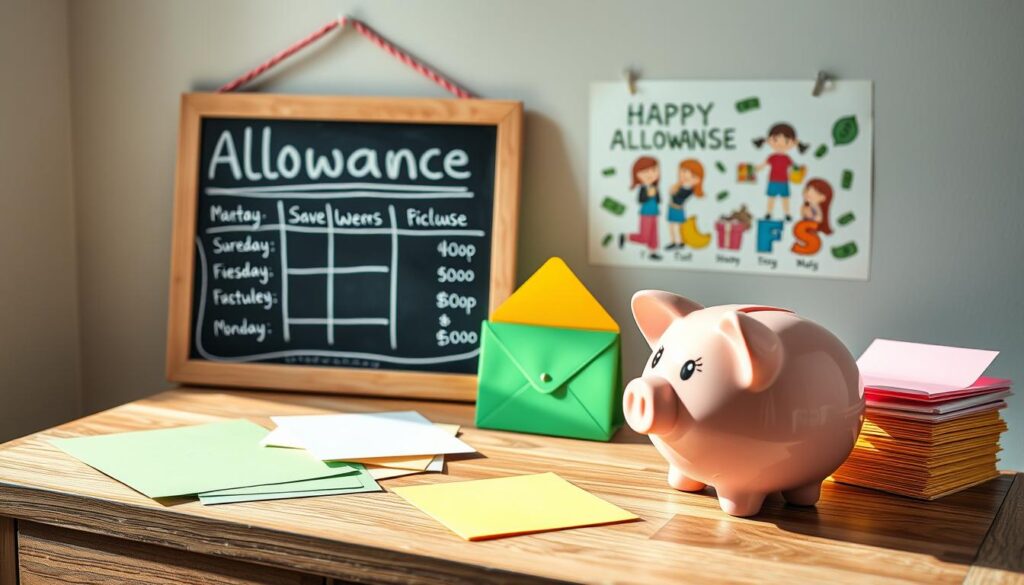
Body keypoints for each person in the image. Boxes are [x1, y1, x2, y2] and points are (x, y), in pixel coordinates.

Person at [753, 123, 808, 221]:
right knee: (771, 198)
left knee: (785, 198)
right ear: (769, 140)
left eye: (786, 141)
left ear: (793, 142)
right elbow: (762, 165)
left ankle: (787, 213)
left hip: (783, 181)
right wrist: (754, 169)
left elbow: (794, 168)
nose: (780, 144)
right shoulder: (772, 157)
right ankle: (769, 212)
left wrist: (802, 170)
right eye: (775, 140)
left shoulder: (787, 158)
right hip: (773, 180)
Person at [620, 156, 662, 260]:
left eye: (653, 170)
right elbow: (640, 200)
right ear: (637, 174)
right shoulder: (643, 188)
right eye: (645, 171)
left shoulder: (655, 187)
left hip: (654, 213)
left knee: (653, 235)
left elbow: (659, 200)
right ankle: (626, 237)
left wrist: (655, 194)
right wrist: (649, 195)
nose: (650, 174)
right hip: (645, 214)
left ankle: (653, 252)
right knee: (644, 236)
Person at [666, 159, 704, 250]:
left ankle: (680, 243)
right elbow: (671, 192)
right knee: (671, 226)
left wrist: (677, 186)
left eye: (692, 175)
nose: (686, 176)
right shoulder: (682, 186)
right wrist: (677, 185)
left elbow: (676, 195)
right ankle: (673, 242)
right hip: (672, 207)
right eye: (684, 171)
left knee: (678, 227)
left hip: (678, 208)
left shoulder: (689, 189)